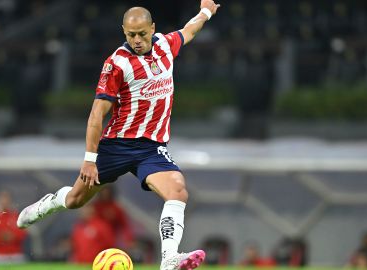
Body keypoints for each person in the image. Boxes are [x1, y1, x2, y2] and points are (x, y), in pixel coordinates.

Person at [17, 1, 221, 269]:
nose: (136, 40)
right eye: (130, 35)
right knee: (76, 199)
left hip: (151, 147)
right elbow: (96, 114)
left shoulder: (165, 45)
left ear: (153, 29)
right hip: (117, 145)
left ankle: (169, 259)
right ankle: (49, 204)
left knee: (178, 191)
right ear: (124, 32)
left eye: (142, 34)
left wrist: (206, 11)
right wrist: (90, 159)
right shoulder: (116, 64)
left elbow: (190, 30)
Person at [0, 191, 28, 264]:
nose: (5, 201)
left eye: (7, 198)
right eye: (3, 198)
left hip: (16, 255)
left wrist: (10, 236)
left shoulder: (16, 216)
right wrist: (5, 236)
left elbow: (22, 233)